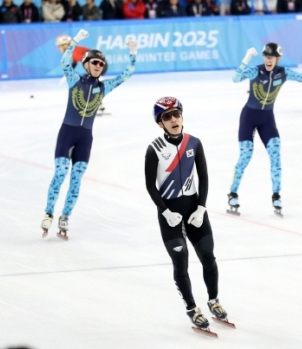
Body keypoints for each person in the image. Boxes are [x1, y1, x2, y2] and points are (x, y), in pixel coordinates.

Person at [40, 29, 138, 239]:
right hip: (67, 133)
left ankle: (65, 216)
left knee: (76, 180)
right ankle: (49, 211)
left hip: (85, 137)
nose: (98, 66)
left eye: (101, 64)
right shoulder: (74, 80)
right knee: (60, 173)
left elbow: (126, 75)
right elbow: (65, 62)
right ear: (86, 64)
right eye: (95, 62)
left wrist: (133, 52)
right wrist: (74, 41)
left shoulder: (104, 87)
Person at [144, 96, 230, 331]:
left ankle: (214, 300)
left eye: (176, 114)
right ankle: (192, 308)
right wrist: (165, 212)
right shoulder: (154, 149)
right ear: (160, 123)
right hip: (170, 213)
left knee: (208, 256)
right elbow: (151, 186)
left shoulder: (194, 143)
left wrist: (201, 207)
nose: (173, 119)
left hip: (194, 209)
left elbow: (204, 176)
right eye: (167, 117)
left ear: (182, 117)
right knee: (181, 261)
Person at [227, 43, 302, 215]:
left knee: (275, 155)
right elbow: (235, 78)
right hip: (249, 117)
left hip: (267, 119)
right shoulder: (256, 71)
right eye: (265, 56)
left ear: (278, 58)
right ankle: (233, 192)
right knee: (245, 156)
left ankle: (276, 195)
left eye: (271, 57)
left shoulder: (283, 73)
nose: (268, 60)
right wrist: (246, 59)